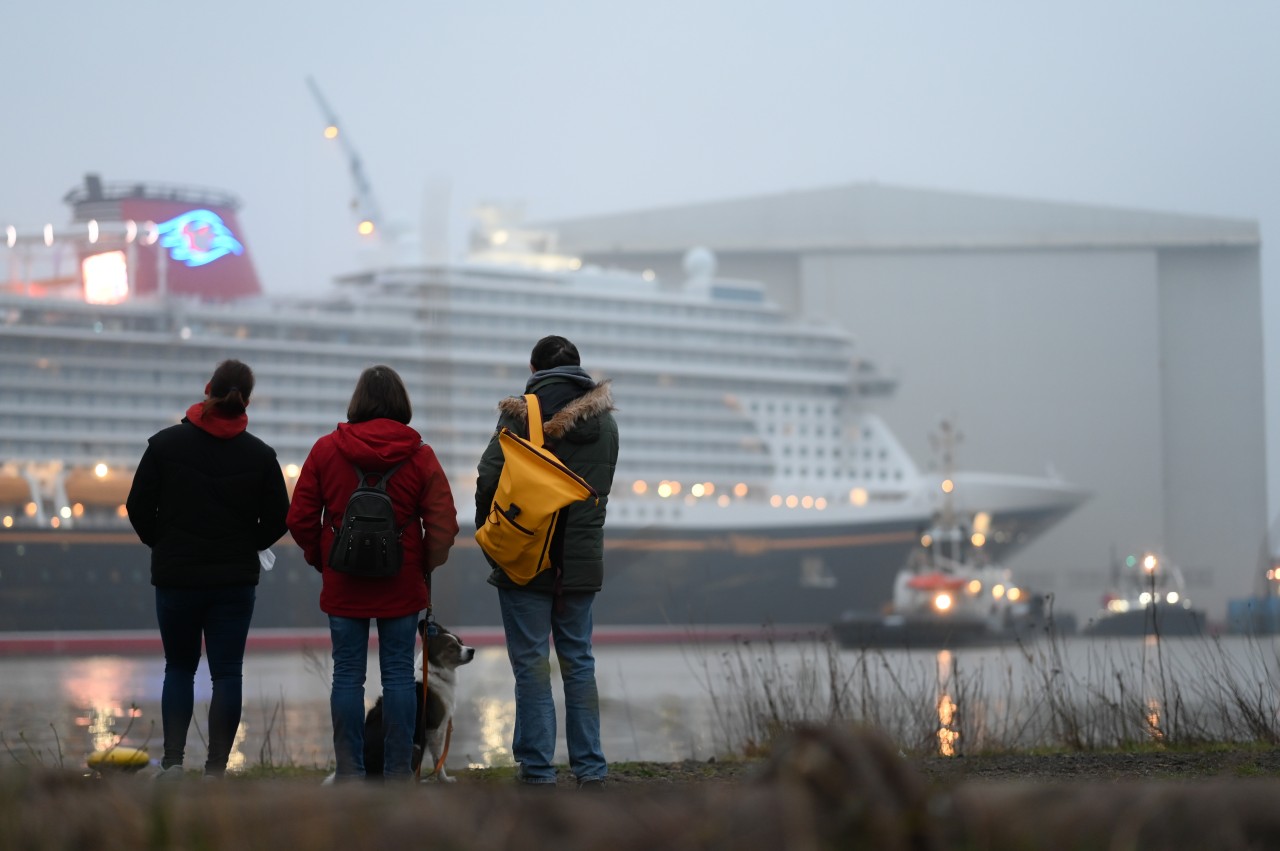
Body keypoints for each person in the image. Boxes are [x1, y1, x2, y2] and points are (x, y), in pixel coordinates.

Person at [287, 364, 458, 782]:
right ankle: (399, 772)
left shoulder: (327, 449)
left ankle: (350, 771)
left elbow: (300, 518)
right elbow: (444, 523)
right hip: (400, 583)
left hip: (344, 582)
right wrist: (423, 564)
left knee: (347, 673)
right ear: (402, 403)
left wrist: (323, 558)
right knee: (400, 673)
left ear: (357, 401)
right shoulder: (420, 455)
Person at [126, 359, 290, 779]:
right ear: (246, 401)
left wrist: (163, 544)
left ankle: (174, 763)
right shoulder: (261, 455)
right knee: (227, 672)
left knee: (178, 667)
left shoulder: (164, 446)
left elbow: (139, 507)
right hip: (234, 581)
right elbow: (279, 518)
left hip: (177, 577)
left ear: (207, 389)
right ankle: (215, 769)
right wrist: (247, 545)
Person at [475, 335, 619, 790]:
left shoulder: (519, 416)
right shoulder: (607, 425)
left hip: (524, 558)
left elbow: (488, 477)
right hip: (579, 563)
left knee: (532, 664)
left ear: (533, 368)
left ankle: (537, 770)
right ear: (579, 368)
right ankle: (591, 768)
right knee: (579, 661)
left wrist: (493, 531)